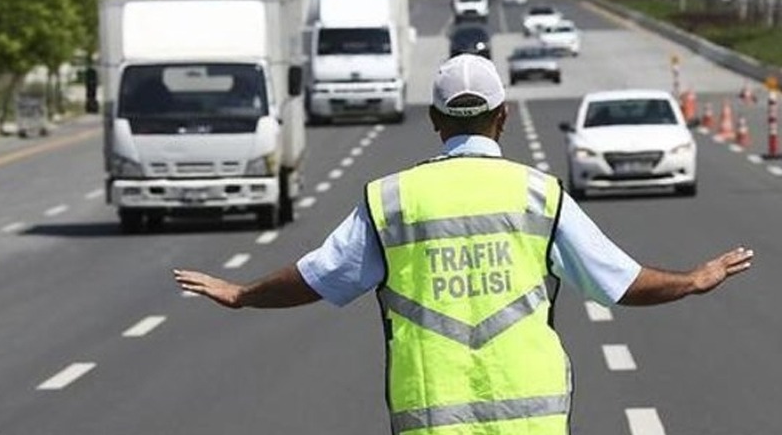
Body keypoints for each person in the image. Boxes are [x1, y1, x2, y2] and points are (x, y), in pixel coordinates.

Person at [173, 54, 754, 435]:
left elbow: (319, 276)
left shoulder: (392, 199)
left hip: (432, 420)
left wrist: (243, 293)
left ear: (434, 119)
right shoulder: (538, 195)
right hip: (535, 421)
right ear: (503, 117)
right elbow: (620, 282)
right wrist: (693, 280)